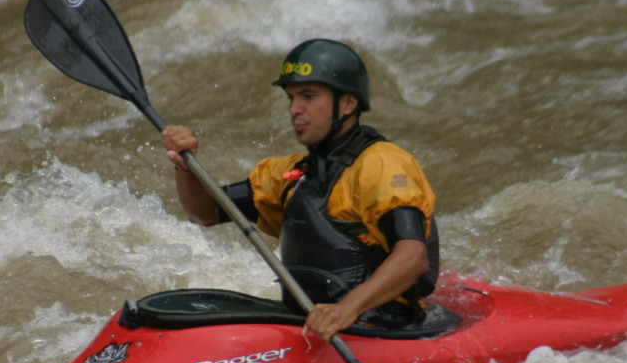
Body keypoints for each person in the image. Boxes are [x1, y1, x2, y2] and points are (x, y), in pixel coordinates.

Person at [161, 39, 439, 342]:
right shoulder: (293, 174)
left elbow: (413, 257)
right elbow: (206, 213)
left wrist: (345, 309)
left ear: (347, 103)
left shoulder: (382, 165)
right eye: (291, 97)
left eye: (308, 96)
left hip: (381, 328)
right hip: (311, 324)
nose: (295, 109)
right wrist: (185, 166)